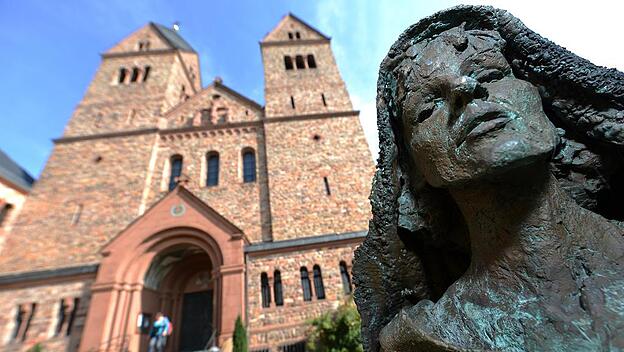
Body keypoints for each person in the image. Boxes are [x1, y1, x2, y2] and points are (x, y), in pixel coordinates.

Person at [353, 5, 624, 352]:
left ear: (544, 101)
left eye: (490, 74)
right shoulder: (421, 340)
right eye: (427, 108)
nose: (465, 87)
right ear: (415, 173)